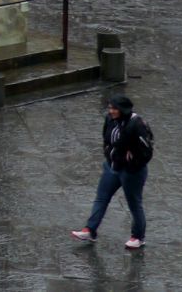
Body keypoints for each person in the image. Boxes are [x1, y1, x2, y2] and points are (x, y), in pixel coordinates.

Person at [70, 95, 153, 249]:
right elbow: (107, 139)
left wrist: (132, 162)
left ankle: (138, 237)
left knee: (134, 204)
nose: (111, 111)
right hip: (112, 167)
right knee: (101, 198)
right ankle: (90, 229)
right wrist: (109, 155)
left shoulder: (137, 124)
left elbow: (146, 150)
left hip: (131, 172)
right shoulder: (109, 119)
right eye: (110, 108)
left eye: (114, 108)